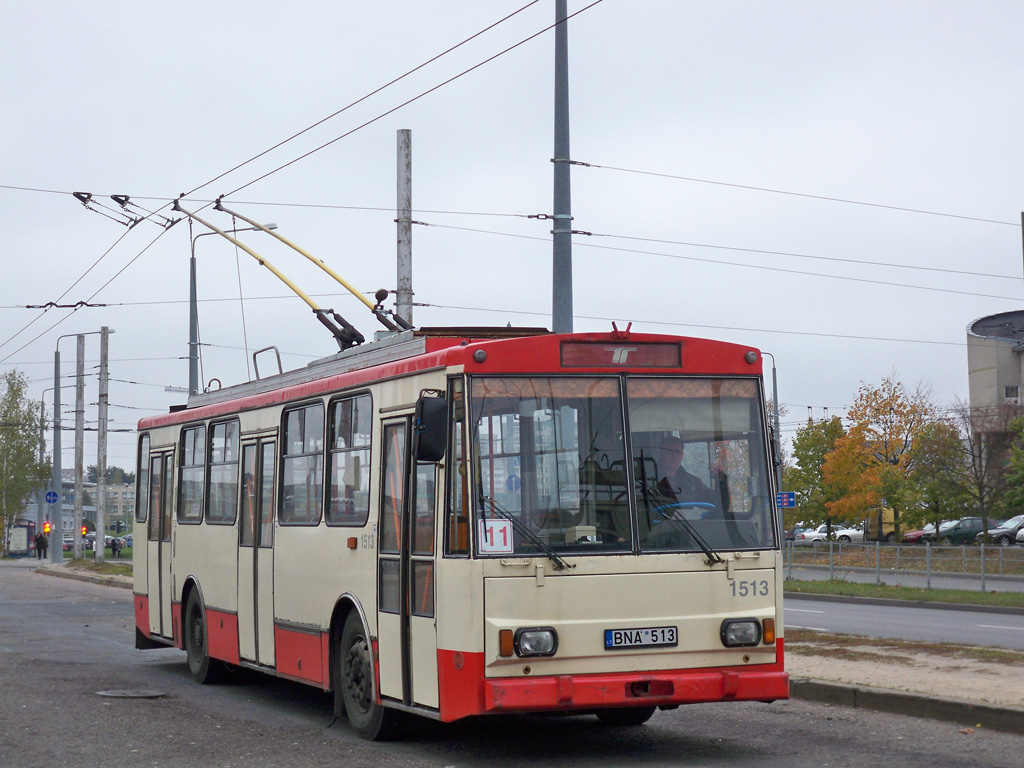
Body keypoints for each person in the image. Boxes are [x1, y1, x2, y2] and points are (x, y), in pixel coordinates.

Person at [656, 436, 718, 508]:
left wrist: (720, 478)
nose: (674, 455)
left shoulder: (693, 483)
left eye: (678, 452)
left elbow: (718, 502)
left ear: (682, 455)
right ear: (661, 454)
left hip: (688, 519)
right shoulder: (648, 479)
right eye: (669, 451)